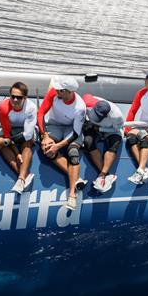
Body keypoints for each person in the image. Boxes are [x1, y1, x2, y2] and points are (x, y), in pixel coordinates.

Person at [37, 75, 87, 210]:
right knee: (47, 148)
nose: (56, 91)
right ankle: (77, 179)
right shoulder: (54, 93)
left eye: (60, 90)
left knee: (73, 153)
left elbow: (76, 133)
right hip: (54, 126)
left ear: (69, 92)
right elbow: (41, 113)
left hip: (71, 129)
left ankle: (72, 196)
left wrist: (57, 146)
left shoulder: (80, 108)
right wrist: (45, 136)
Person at [0, 82, 37, 194]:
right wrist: (16, 152)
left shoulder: (31, 108)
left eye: (19, 97)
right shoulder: (3, 107)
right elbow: (7, 134)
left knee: (27, 143)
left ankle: (21, 179)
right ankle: (24, 176)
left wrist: (9, 142)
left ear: (25, 98)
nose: (15, 100)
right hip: (10, 131)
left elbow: (27, 134)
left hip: (25, 131)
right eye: (12, 96)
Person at [81, 93, 123, 193]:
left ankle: (102, 175)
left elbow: (117, 128)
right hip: (94, 127)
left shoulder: (117, 116)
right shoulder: (86, 102)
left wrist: (99, 128)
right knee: (88, 142)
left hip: (111, 130)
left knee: (114, 145)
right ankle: (106, 175)